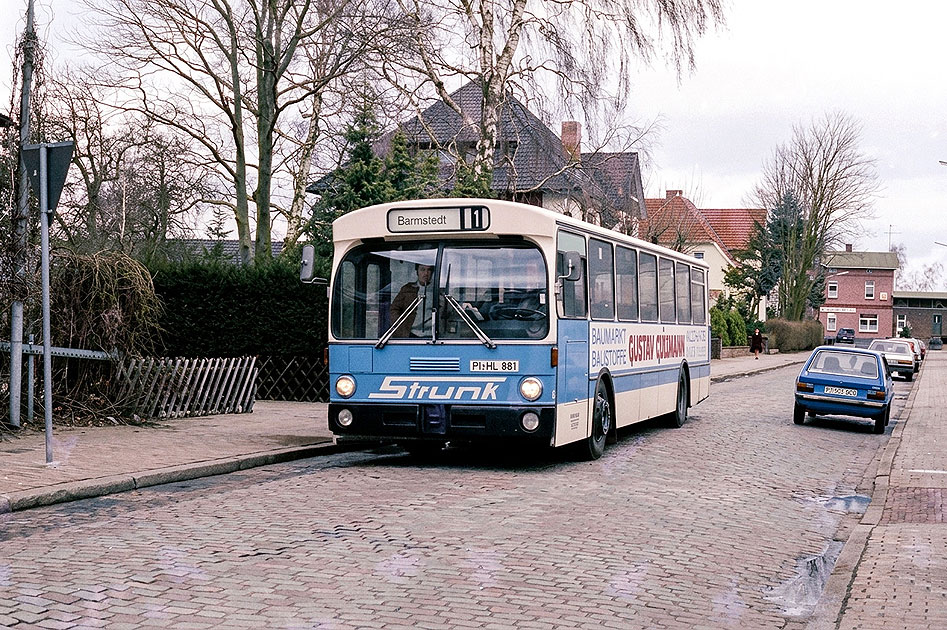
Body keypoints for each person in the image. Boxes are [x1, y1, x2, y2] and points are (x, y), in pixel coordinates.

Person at [390, 264, 434, 338]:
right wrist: (401, 329)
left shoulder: (437, 291)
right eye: (422, 270)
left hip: (433, 335)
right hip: (411, 334)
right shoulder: (408, 289)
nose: (426, 273)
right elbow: (394, 309)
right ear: (417, 271)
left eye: (429, 270)